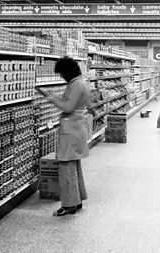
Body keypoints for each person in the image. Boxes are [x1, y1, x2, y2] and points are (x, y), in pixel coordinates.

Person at [45, 57, 89, 216]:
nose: (62, 77)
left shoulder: (75, 84)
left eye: (62, 74)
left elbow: (68, 106)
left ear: (67, 72)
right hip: (76, 127)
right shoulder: (81, 82)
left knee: (66, 168)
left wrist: (53, 99)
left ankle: (69, 205)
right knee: (74, 167)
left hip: (70, 129)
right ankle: (77, 200)